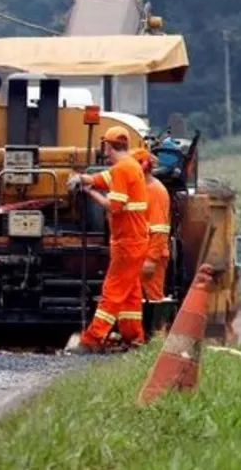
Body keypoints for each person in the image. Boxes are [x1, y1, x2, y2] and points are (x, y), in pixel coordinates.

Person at [66, 126, 150, 352]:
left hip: (128, 242)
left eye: (104, 145)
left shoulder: (122, 169)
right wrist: (83, 178)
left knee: (112, 291)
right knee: (130, 293)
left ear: (108, 146)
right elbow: (102, 178)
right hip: (134, 240)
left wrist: (87, 191)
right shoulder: (128, 165)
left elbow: (114, 206)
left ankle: (91, 340)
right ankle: (134, 338)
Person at [132, 147, 171, 324]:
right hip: (137, 254)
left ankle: (154, 338)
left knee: (152, 300)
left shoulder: (156, 191)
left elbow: (160, 229)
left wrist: (151, 259)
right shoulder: (137, 187)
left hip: (150, 255)